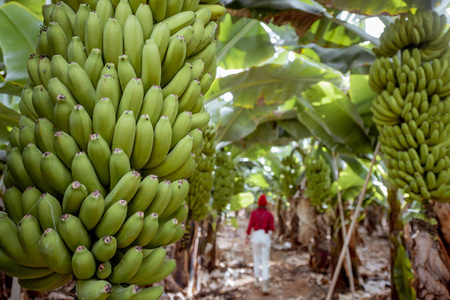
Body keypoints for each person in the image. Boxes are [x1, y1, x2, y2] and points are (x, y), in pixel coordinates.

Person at [246, 194, 275, 294]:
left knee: (256, 259)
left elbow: (249, 227)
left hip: (256, 236)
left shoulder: (254, 213)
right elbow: (272, 228)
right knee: (265, 261)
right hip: (265, 236)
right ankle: (265, 285)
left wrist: (247, 237)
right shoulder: (269, 214)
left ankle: (257, 280)